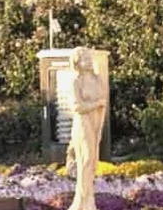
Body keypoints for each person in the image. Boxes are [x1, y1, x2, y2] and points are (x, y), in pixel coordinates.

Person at [66, 47, 107, 210]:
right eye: (84, 58)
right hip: (83, 125)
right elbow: (77, 106)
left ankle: (89, 202)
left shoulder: (98, 80)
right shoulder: (76, 82)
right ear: (77, 63)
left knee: (93, 163)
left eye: (89, 57)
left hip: (96, 123)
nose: (88, 60)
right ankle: (82, 203)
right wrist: (96, 104)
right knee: (86, 161)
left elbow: (104, 99)